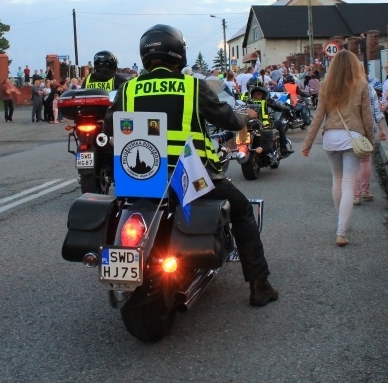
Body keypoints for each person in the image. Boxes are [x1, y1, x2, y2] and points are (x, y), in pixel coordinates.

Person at [106, 24, 278, 307]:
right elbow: (227, 119)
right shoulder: (192, 86)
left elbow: (109, 125)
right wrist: (246, 116)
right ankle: (259, 285)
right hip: (189, 176)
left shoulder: (129, 88)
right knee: (242, 210)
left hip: (142, 177)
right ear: (178, 53)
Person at [301, 50, 373, 247]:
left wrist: (307, 144)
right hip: (353, 137)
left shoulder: (326, 85)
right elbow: (367, 117)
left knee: (337, 180)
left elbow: (318, 116)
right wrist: (370, 141)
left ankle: (341, 219)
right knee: (349, 183)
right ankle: (341, 230)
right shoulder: (361, 85)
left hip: (331, 137)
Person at [354, 66, 387, 206]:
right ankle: (365, 191)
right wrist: (382, 129)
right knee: (365, 160)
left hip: (352, 129)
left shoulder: (348, 88)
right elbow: (376, 111)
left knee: (354, 162)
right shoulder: (369, 88)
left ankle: (356, 195)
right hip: (369, 127)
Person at [247, 81, 292, 153]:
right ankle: (283, 147)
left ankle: (281, 147)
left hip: (250, 125)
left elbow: (279, 106)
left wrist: (286, 108)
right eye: (254, 94)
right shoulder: (267, 100)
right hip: (263, 125)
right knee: (279, 123)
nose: (256, 96)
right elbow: (279, 107)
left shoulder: (247, 101)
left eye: (258, 94)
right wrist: (287, 108)